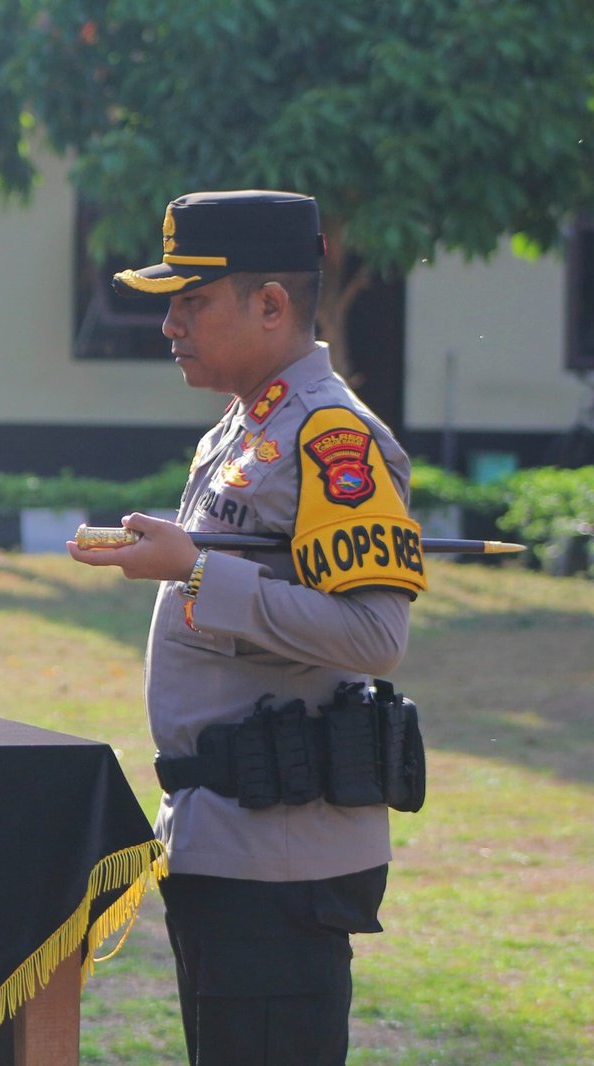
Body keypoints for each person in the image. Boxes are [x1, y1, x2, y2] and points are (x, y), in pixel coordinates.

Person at [68, 190, 427, 1065]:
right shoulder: (244, 426)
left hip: (282, 856)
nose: (170, 328)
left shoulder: (331, 436)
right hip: (222, 836)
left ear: (271, 304)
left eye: (191, 303)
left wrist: (195, 568)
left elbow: (376, 634)